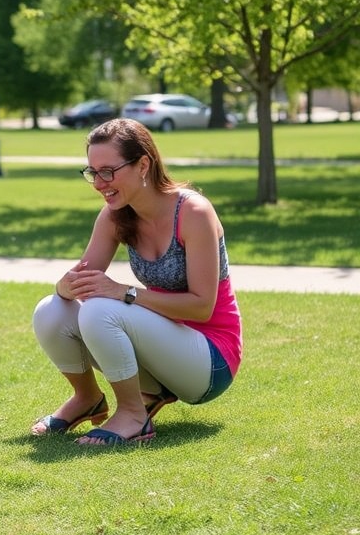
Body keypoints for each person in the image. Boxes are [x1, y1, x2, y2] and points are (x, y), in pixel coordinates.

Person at [30, 118, 242, 446]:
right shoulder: (116, 214)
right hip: (164, 352)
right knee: (51, 310)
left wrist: (123, 292)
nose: (99, 183)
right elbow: (76, 281)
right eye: (92, 172)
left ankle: (133, 415)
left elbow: (202, 307)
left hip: (210, 360)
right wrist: (66, 287)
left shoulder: (194, 212)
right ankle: (87, 399)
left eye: (108, 171)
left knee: (100, 310)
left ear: (143, 164)